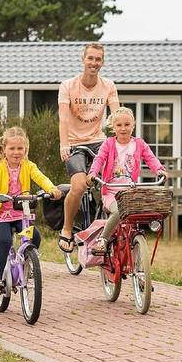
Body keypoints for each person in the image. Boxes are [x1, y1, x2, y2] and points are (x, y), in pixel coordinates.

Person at [0, 127, 63, 294]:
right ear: (4, 149)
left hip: (21, 213)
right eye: (12, 148)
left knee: (35, 236)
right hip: (2, 214)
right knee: (5, 240)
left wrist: (52, 188)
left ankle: (27, 264)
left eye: (20, 148)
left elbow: (41, 178)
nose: (16, 152)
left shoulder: (28, 166)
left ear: (26, 149)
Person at [56, 43, 119, 253]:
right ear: (83, 59)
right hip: (74, 143)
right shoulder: (68, 86)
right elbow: (64, 118)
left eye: (98, 59)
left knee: (116, 182)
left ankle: (107, 229)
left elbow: (116, 115)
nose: (94, 63)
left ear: (102, 62)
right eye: (90, 58)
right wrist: (64, 144)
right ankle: (66, 229)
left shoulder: (108, 85)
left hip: (98, 140)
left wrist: (120, 141)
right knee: (80, 186)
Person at [87, 107, 166, 254]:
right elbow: (99, 159)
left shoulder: (139, 144)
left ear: (133, 125)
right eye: (119, 125)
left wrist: (159, 170)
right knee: (119, 212)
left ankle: (134, 245)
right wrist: (93, 173)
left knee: (140, 214)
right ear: (113, 127)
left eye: (127, 124)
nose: (123, 128)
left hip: (129, 192)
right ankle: (103, 239)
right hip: (110, 192)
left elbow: (150, 158)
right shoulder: (108, 144)